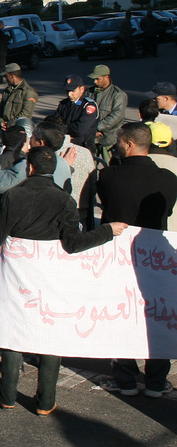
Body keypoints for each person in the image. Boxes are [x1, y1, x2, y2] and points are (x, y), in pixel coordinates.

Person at [0, 146, 128, 415]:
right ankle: (45, 401)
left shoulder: (11, 196)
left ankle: (7, 395)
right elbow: (74, 244)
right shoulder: (64, 200)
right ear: (54, 170)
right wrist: (108, 231)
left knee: (14, 330)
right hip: (51, 277)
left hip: (15, 274)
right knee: (50, 333)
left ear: (29, 168)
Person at [98, 123, 177, 399]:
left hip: (118, 258)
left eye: (120, 141)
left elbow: (105, 204)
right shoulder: (168, 178)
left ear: (128, 144)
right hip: (156, 260)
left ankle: (126, 378)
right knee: (158, 314)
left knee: (121, 315)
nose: (117, 145)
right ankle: (156, 381)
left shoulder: (108, 176)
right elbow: (166, 210)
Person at [88, 64, 127, 162]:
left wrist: (97, 128)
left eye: (98, 79)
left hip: (109, 139)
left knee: (110, 165)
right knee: (89, 167)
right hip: (91, 138)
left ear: (107, 77)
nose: (95, 81)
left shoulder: (118, 95)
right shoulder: (90, 92)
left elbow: (116, 116)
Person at [56, 75, 98, 151]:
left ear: (81, 89)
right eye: (67, 91)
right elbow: (53, 122)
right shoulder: (64, 104)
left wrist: (62, 128)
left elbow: (79, 129)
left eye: (73, 91)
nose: (69, 94)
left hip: (82, 148)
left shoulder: (88, 106)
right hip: (65, 146)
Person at [0, 63, 38, 130]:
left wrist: (10, 124)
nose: (5, 79)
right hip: (4, 127)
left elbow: (26, 114)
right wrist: (0, 122)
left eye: (6, 76)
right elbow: (0, 110)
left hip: (18, 128)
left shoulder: (28, 92)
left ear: (11, 76)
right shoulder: (7, 90)